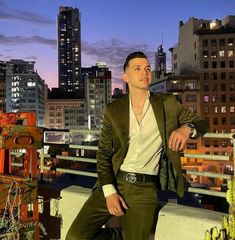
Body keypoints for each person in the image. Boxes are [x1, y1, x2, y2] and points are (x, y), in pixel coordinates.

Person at [66, 51, 209, 240]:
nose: (145, 72)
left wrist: (186, 129)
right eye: (138, 68)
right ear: (125, 77)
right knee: (75, 237)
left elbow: (202, 123)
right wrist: (109, 193)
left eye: (148, 68)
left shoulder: (167, 104)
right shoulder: (114, 109)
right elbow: (103, 154)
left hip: (144, 189)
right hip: (114, 182)